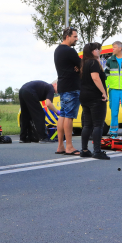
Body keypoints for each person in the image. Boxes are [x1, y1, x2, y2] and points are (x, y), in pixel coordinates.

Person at [79, 43, 111, 160]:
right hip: (95, 96)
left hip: (84, 96)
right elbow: (95, 78)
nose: (99, 51)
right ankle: (97, 151)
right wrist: (103, 92)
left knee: (88, 124)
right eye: (97, 50)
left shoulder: (83, 63)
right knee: (98, 124)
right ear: (92, 51)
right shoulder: (93, 63)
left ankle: (84, 149)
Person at [54, 27, 81, 155]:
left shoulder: (57, 50)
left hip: (63, 86)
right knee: (69, 117)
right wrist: (79, 69)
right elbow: (82, 66)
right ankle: (69, 146)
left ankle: (60, 146)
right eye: (75, 36)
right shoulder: (70, 51)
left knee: (63, 115)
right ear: (67, 37)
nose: (77, 39)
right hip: (71, 87)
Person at [104, 41, 122, 138]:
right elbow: (106, 76)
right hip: (113, 90)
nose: (113, 49)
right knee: (114, 112)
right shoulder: (110, 60)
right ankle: (113, 132)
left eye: (114, 47)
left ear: (120, 48)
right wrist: (105, 89)